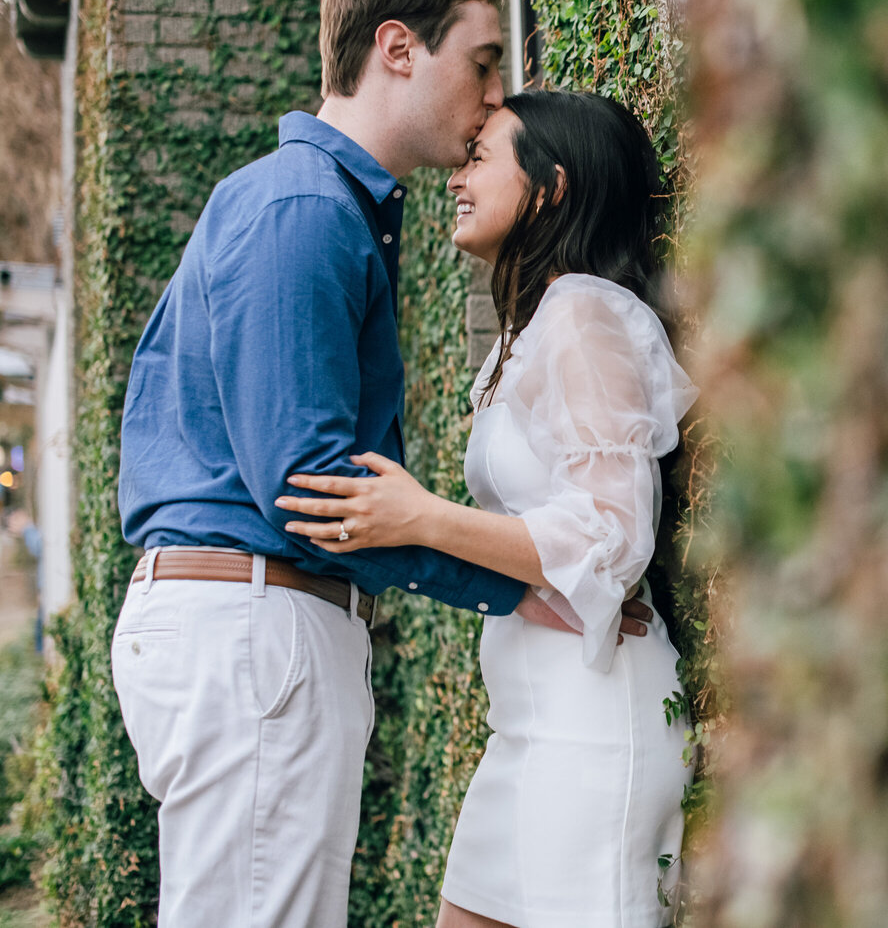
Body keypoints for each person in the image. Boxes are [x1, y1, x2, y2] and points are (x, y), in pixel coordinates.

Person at [111, 0, 652, 926]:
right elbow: (313, 486)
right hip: (257, 624)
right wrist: (512, 578)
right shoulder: (302, 208)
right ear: (397, 49)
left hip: (252, 625)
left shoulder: (309, 206)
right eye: (483, 64)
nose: (495, 97)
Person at [276, 89, 696, 928]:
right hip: (530, 726)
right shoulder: (528, 332)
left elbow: (614, 536)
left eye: (479, 158)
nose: (455, 179)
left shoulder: (582, 316)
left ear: (548, 188)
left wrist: (423, 518)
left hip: (592, 718)